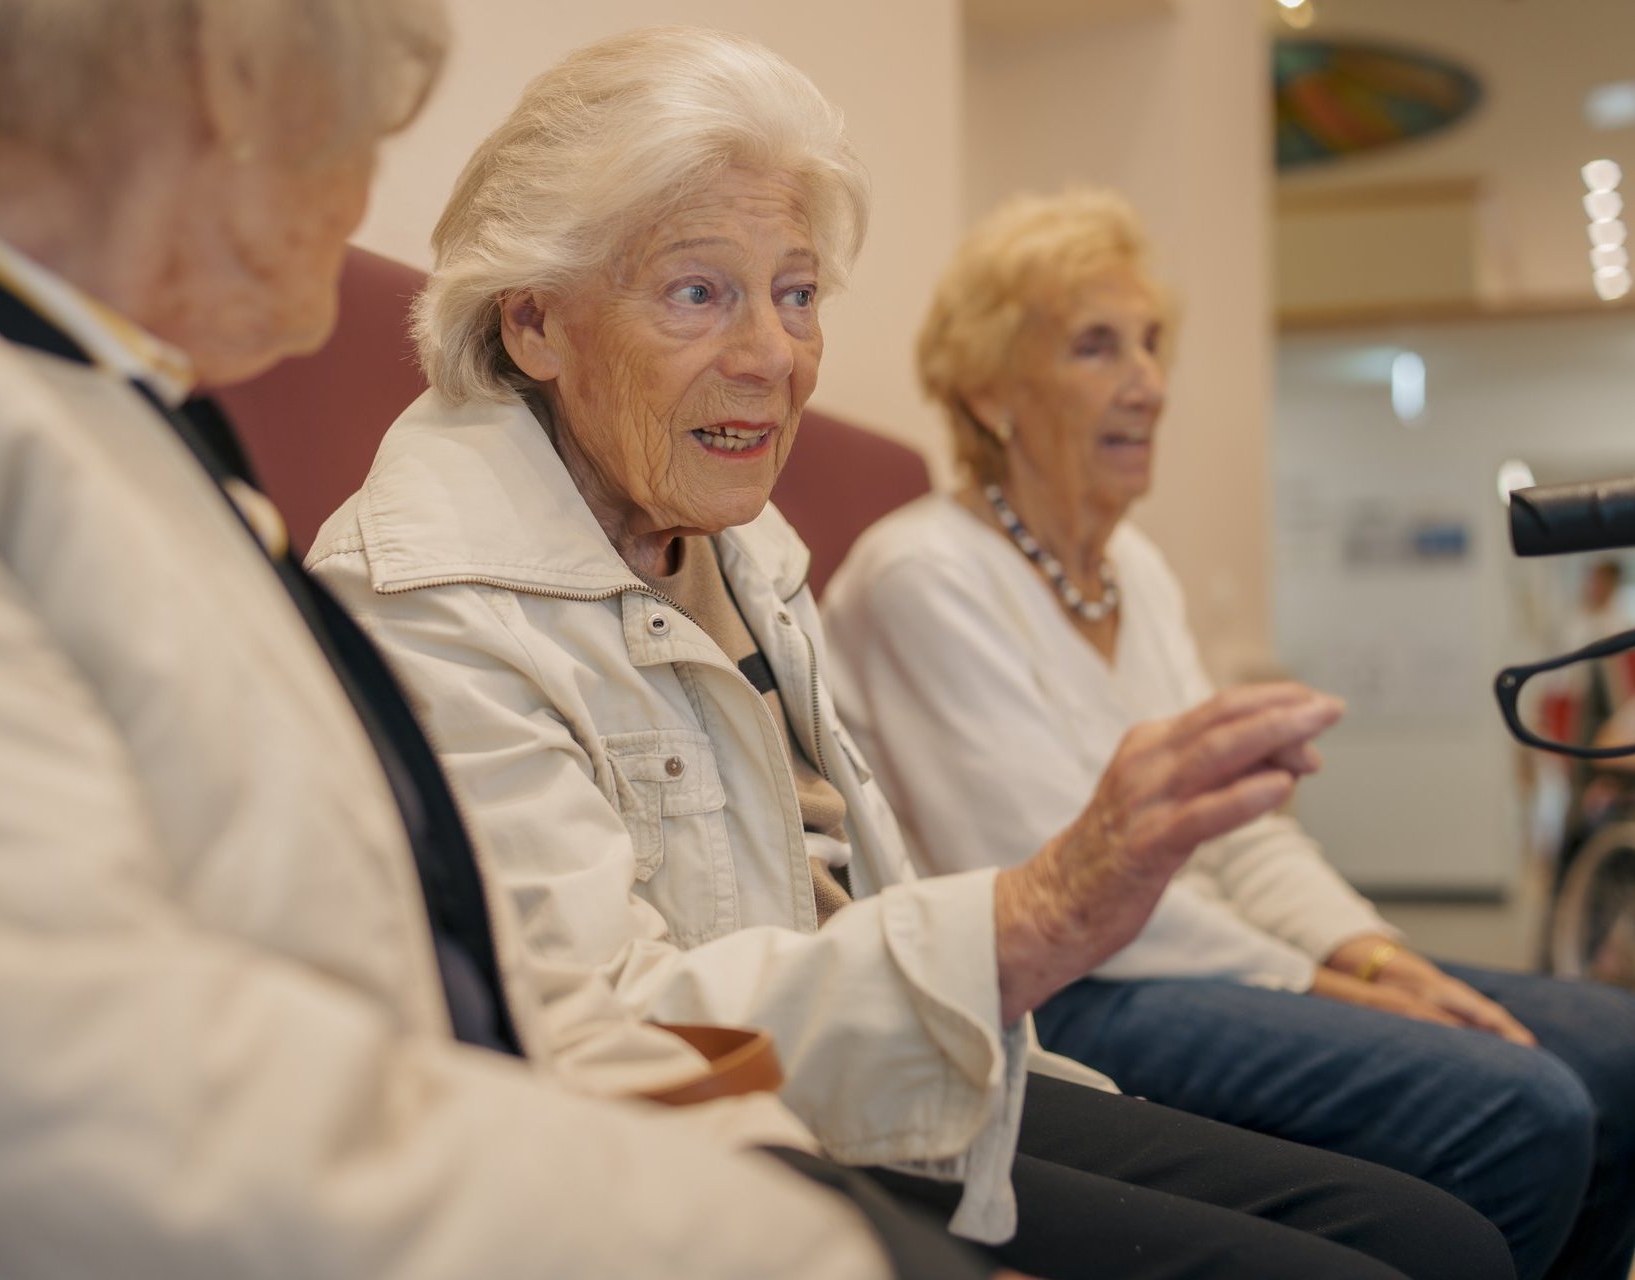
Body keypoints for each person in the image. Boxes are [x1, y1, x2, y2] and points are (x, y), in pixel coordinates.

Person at [309, 28, 1515, 1280]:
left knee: (1444, 1239)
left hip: (883, 1071)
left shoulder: (746, 545)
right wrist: (1035, 911)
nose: (774, 355)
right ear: (536, 323)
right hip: (721, 1144)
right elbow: (610, 1036)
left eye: (795, 292)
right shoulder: (419, 596)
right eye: (697, 291)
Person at [0, 3, 1040, 1276]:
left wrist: (771, 1175)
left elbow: (511, 991)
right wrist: (813, 1246)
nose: (360, 197)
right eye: (360, 130)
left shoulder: (121, 409)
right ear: (225, 91)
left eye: (794, 296)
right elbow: (98, 1102)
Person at [821, 187, 1635, 1280]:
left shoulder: (1134, 571)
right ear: (990, 388)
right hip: (1063, 996)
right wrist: (1329, 988)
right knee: (1526, 1108)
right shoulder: (923, 574)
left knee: (1619, 1051)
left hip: (1180, 962)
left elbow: (1243, 833)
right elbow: (1073, 898)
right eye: (1096, 346)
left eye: (1152, 343)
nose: (1148, 383)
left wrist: (1372, 952)